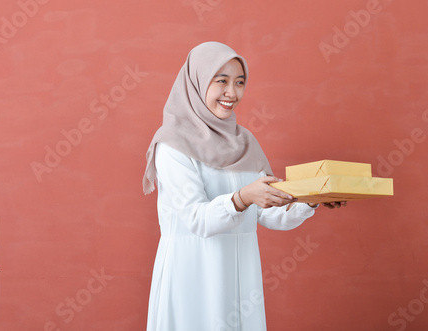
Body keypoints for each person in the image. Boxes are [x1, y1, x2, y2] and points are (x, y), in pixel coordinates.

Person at [142, 41, 345, 331]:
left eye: (239, 82)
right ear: (197, 81)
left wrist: (311, 198)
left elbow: (269, 212)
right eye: (221, 81)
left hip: (240, 276)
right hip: (193, 275)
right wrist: (241, 198)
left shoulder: (244, 142)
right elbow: (197, 220)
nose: (232, 93)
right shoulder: (173, 145)